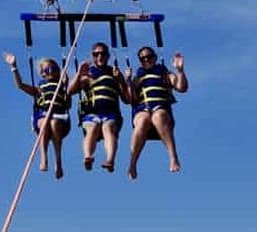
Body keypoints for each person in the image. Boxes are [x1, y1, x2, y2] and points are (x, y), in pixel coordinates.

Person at [3, 52, 70, 179]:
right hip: (42, 118)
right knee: (45, 121)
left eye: (54, 69)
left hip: (60, 119)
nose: (51, 72)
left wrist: (66, 78)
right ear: (42, 73)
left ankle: (58, 161)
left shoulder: (61, 86)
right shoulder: (40, 89)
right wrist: (14, 67)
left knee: (54, 123)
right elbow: (20, 85)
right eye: (48, 70)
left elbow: (69, 90)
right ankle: (44, 157)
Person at [66, 42, 131, 173]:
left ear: (108, 56)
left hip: (111, 113)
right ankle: (88, 157)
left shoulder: (114, 73)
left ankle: (110, 160)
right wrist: (79, 74)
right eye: (96, 54)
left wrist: (123, 80)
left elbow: (127, 100)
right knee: (93, 127)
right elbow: (70, 91)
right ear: (92, 56)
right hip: (91, 113)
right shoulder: (87, 74)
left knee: (108, 128)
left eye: (103, 54)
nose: (99, 56)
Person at [126, 47, 188, 180]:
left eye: (149, 57)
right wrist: (128, 81)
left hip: (161, 109)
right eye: (143, 59)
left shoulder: (165, 74)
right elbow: (130, 99)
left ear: (154, 57)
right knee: (143, 119)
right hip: (143, 109)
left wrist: (180, 71)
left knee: (158, 117)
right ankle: (132, 163)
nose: (146, 60)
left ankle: (173, 157)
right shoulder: (138, 78)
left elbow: (182, 88)